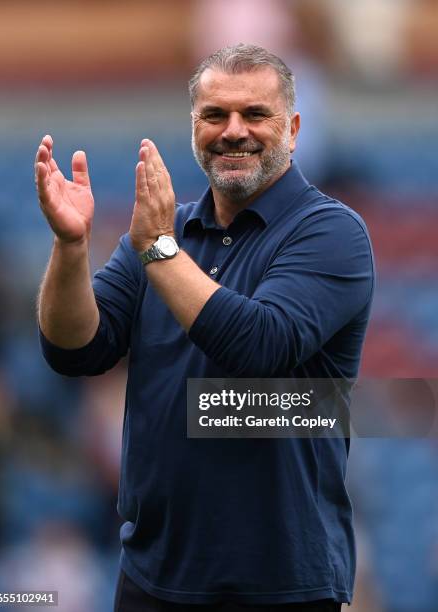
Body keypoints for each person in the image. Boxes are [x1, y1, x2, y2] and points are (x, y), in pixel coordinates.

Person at [35, 44, 374, 611]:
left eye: (255, 115)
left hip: (282, 580)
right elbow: (76, 350)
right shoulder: (164, 234)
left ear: (291, 127)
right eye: (214, 115)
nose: (233, 131)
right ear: (194, 127)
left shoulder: (331, 232)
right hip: (153, 572)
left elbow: (260, 346)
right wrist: (71, 246)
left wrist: (158, 249)